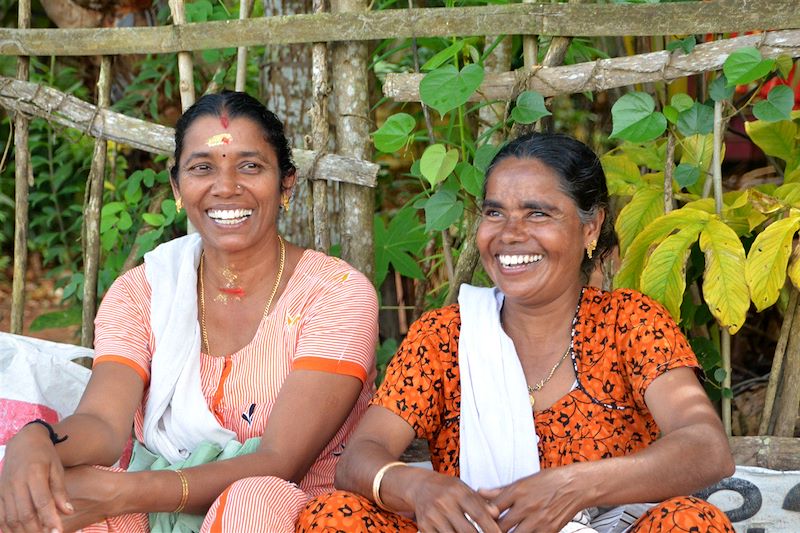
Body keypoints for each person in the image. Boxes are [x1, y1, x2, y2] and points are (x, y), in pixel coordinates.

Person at [296, 132, 735, 533]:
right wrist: (417, 488)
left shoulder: (629, 323)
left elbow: (705, 447)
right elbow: (358, 457)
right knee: (331, 516)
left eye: (537, 213)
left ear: (590, 227)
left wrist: (577, 486)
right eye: (495, 213)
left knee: (693, 522)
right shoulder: (446, 336)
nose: (510, 234)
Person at [0, 91, 378, 533]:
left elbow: (279, 462)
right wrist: (35, 440)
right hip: (155, 501)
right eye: (202, 168)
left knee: (252, 499)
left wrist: (121, 492)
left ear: (286, 184)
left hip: (291, 510)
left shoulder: (334, 294)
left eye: (250, 166)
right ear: (178, 188)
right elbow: (103, 424)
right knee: (50, 502)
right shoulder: (145, 291)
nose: (226, 186)